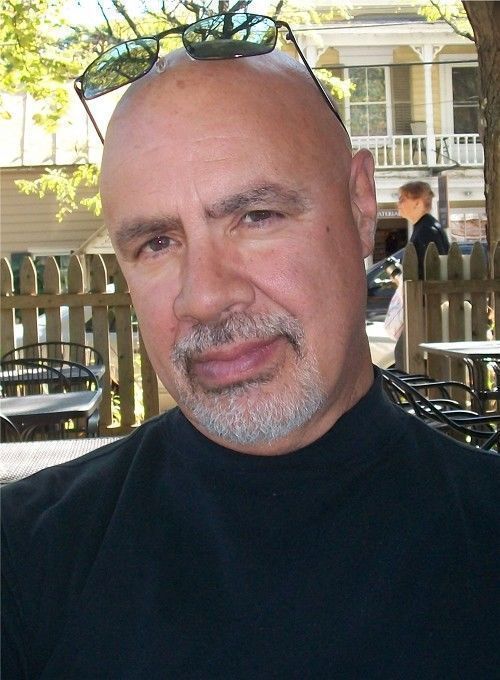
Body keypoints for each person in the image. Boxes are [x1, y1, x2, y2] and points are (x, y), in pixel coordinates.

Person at [2, 19, 499, 679]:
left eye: (256, 217)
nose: (205, 297)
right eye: (156, 242)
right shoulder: (25, 560)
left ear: (360, 207)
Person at [398, 180, 449, 278]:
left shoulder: (427, 231)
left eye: (402, 199)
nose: (398, 204)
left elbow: (432, 272)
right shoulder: (424, 226)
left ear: (417, 203)